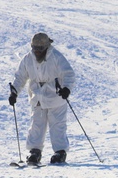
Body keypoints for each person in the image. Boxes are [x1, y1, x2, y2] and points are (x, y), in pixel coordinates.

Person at [9, 32, 76, 165]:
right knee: (36, 124)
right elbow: (20, 77)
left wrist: (67, 88)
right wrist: (14, 92)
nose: (37, 52)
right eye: (35, 48)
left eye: (40, 49)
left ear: (46, 47)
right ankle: (35, 151)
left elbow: (68, 73)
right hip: (37, 96)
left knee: (57, 125)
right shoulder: (28, 58)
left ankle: (60, 151)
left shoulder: (56, 56)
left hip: (55, 96)